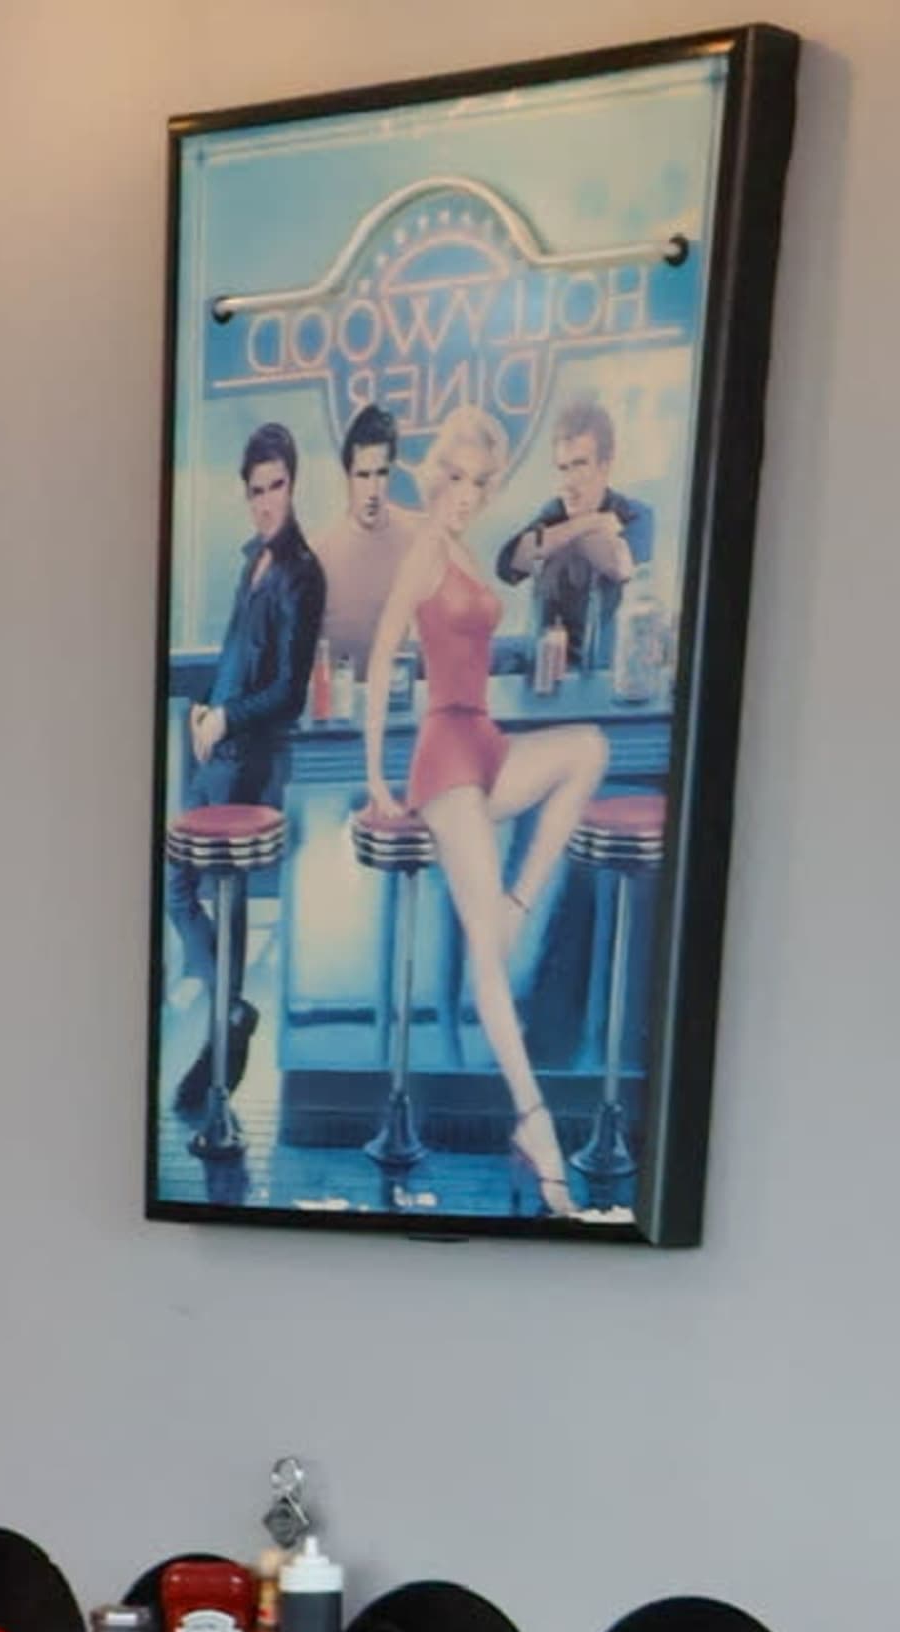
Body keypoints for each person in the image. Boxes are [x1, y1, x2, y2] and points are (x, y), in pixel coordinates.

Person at [354, 391, 610, 1216]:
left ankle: (517, 902)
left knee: (589, 750)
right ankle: (536, 1128)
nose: (465, 494)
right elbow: (386, 650)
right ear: (436, 479)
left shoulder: (464, 549)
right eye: (455, 478)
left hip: (487, 742)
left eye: (479, 483)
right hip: (445, 758)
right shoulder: (428, 549)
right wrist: (378, 778)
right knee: (490, 963)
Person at [169, 414, 324, 1125]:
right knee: (178, 890)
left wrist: (226, 718)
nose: (267, 501)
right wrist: (204, 708)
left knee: (217, 903)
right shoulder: (249, 560)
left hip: (246, 758)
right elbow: (234, 655)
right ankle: (230, 1013)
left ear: (294, 486)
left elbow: (289, 690)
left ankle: (221, 1038)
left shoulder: (302, 574)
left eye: (278, 486)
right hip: (213, 746)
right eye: (257, 489)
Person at [497, 386, 652, 675]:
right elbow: (510, 565)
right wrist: (589, 522)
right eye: (563, 468)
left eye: (579, 465)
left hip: (606, 673)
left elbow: (621, 566)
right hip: (544, 668)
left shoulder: (635, 514)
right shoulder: (555, 513)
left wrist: (565, 539)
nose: (569, 480)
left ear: (605, 465)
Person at [318, 400, 404, 704]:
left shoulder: (417, 541)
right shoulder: (320, 555)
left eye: (381, 474)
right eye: (363, 475)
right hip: (339, 721)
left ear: (392, 472)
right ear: (348, 476)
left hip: (401, 715)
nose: (373, 490)